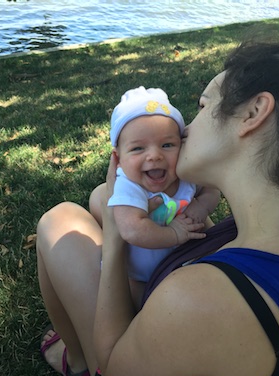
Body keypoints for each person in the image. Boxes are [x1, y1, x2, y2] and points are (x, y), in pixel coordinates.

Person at [38, 39, 279, 376]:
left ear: (253, 113)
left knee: (59, 220)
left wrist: (114, 231)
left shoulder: (199, 298)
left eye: (202, 106)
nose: (185, 130)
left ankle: (78, 367)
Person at [89, 86, 220, 309]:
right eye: (138, 148)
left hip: (185, 261)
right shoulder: (128, 187)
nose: (155, 155)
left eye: (167, 145)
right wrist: (174, 233)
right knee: (142, 305)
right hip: (139, 274)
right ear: (118, 158)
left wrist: (202, 207)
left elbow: (212, 190)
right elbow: (132, 229)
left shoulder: (183, 174)